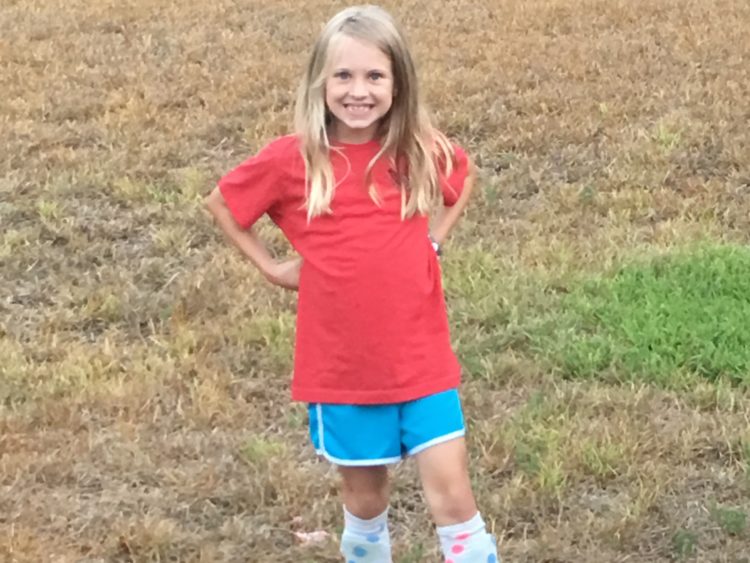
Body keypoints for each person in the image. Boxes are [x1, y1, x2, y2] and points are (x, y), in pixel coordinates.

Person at [205, 5, 500, 562]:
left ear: (397, 83)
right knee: (366, 503)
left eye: (374, 76)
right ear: (320, 81)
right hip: (343, 374)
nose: (358, 91)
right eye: (343, 75)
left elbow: (464, 175)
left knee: (455, 500)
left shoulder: (415, 149)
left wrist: (432, 240)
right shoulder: (293, 160)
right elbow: (223, 202)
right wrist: (272, 268)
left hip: (423, 364)